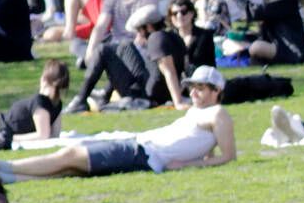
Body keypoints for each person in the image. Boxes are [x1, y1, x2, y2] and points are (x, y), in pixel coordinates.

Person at [13, 65, 236, 177]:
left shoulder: (218, 114)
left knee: (71, 156)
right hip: (140, 144)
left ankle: (5, 168)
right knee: (71, 164)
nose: (193, 92)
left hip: (144, 153)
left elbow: (228, 157)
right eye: (192, 87)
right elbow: (203, 149)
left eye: (200, 88)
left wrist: (186, 165)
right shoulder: (197, 113)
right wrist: (199, 159)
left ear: (216, 91)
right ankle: (8, 175)